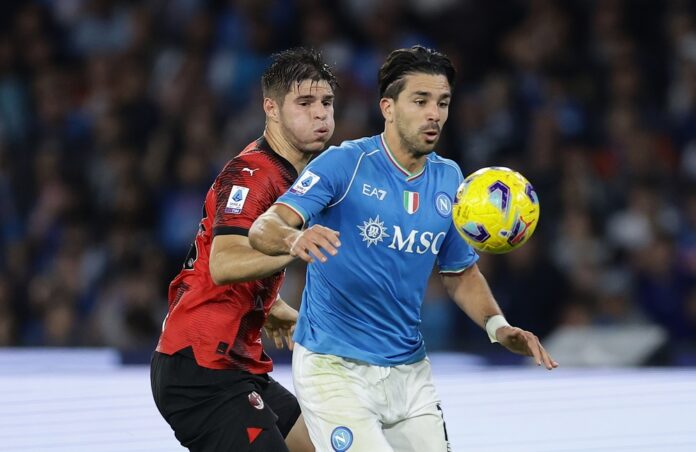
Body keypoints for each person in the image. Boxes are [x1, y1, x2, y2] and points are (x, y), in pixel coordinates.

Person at [248, 45, 558, 452]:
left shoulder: (451, 182)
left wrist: (498, 327)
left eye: (443, 103)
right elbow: (263, 227)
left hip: (409, 373)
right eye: (421, 100)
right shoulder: (344, 164)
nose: (435, 114)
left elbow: (459, 272)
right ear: (388, 107)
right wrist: (295, 237)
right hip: (333, 367)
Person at [150, 47, 337, 452]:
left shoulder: (291, 176)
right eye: (304, 103)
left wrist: (267, 306)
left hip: (236, 364)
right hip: (201, 367)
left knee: (320, 444)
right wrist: (297, 244)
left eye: (326, 102)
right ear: (271, 108)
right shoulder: (253, 174)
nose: (321, 113)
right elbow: (224, 261)